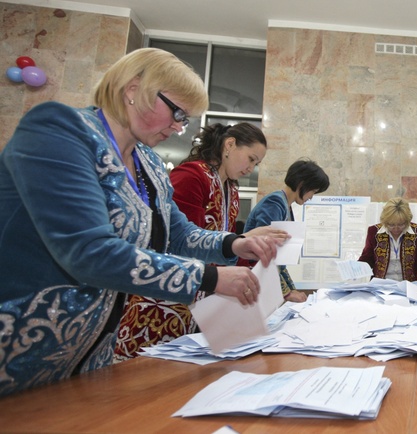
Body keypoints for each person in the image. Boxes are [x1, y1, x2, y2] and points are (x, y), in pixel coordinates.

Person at [0, 47, 282, 396]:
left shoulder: (148, 162)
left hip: (90, 357)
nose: (179, 127)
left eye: (186, 119)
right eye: (176, 112)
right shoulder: (60, 131)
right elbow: (88, 251)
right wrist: (209, 277)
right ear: (133, 89)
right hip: (19, 348)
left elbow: (177, 232)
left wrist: (234, 243)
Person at [114, 122, 269, 360]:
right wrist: (240, 242)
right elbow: (173, 240)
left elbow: (216, 242)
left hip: (201, 297)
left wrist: (239, 248)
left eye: (256, 163)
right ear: (229, 145)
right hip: (164, 295)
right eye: (250, 158)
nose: (251, 168)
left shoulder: (231, 189)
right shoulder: (192, 175)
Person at [244, 158, 330, 302]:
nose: (311, 197)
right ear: (302, 184)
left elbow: (279, 261)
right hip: (253, 278)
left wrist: (291, 289)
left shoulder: (285, 205)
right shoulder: (275, 202)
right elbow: (266, 252)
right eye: (312, 191)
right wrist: (287, 293)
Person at [358, 197, 417, 282]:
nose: (396, 229)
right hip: (380, 285)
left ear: (407, 221)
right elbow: (367, 258)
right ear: (385, 221)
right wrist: (356, 269)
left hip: (409, 286)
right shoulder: (374, 232)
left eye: (401, 224)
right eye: (391, 225)